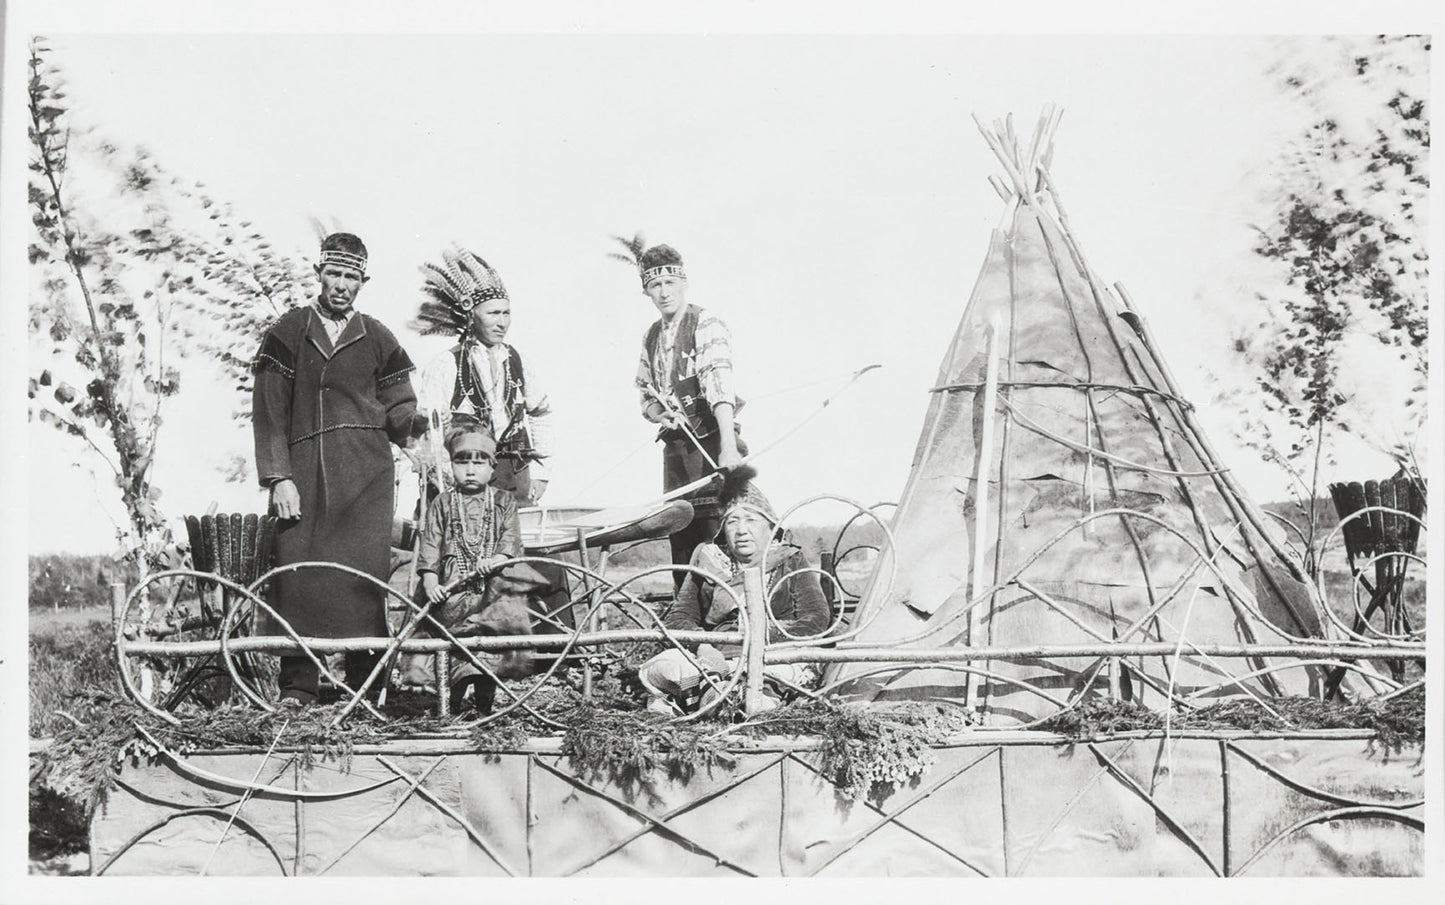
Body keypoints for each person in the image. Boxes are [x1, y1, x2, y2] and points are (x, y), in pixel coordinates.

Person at [252, 232, 423, 705]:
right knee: (300, 571)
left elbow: (400, 406)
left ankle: (366, 687)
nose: (342, 285)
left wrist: (419, 433)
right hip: (303, 471)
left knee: (362, 577)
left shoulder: (377, 336)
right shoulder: (288, 331)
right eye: (335, 274)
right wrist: (278, 476)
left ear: (363, 281)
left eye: (351, 277)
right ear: (319, 274)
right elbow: (268, 411)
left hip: (367, 474)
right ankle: (299, 686)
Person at [638, 467, 829, 715]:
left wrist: (763, 639)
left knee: (787, 668)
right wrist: (704, 646)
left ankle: (719, 697)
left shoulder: (789, 559)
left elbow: (816, 617)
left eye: (751, 520)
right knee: (667, 665)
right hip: (712, 656)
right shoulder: (708, 559)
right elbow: (679, 616)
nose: (741, 530)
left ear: (770, 528)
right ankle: (711, 692)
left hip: (772, 654)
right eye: (732, 521)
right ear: (722, 529)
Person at [632, 243, 746, 587]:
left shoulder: (704, 322)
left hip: (710, 443)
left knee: (718, 530)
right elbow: (644, 389)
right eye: (655, 286)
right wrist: (658, 413)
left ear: (683, 283)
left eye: (670, 283)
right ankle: (688, 622)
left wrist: (728, 447)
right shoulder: (652, 335)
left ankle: (728, 617)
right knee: (680, 532)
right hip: (676, 451)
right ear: (646, 291)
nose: (664, 293)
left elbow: (719, 386)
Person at [416, 248, 553, 504]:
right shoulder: (446, 365)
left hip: (514, 480)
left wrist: (541, 474)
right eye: (493, 313)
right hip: (463, 481)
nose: (502, 322)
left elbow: (541, 413)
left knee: (510, 541)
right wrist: (448, 478)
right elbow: (431, 429)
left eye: (506, 313)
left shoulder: (518, 362)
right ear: (471, 315)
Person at [414, 424, 527, 713]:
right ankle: (449, 705)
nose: (470, 470)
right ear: (451, 465)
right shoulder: (442, 503)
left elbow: (510, 540)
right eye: (462, 462)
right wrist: (429, 582)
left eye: (479, 462)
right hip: (451, 592)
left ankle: (484, 706)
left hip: (492, 591)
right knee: (453, 650)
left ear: (492, 468)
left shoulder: (504, 501)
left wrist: (498, 558)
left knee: (488, 650)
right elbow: (430, 546)